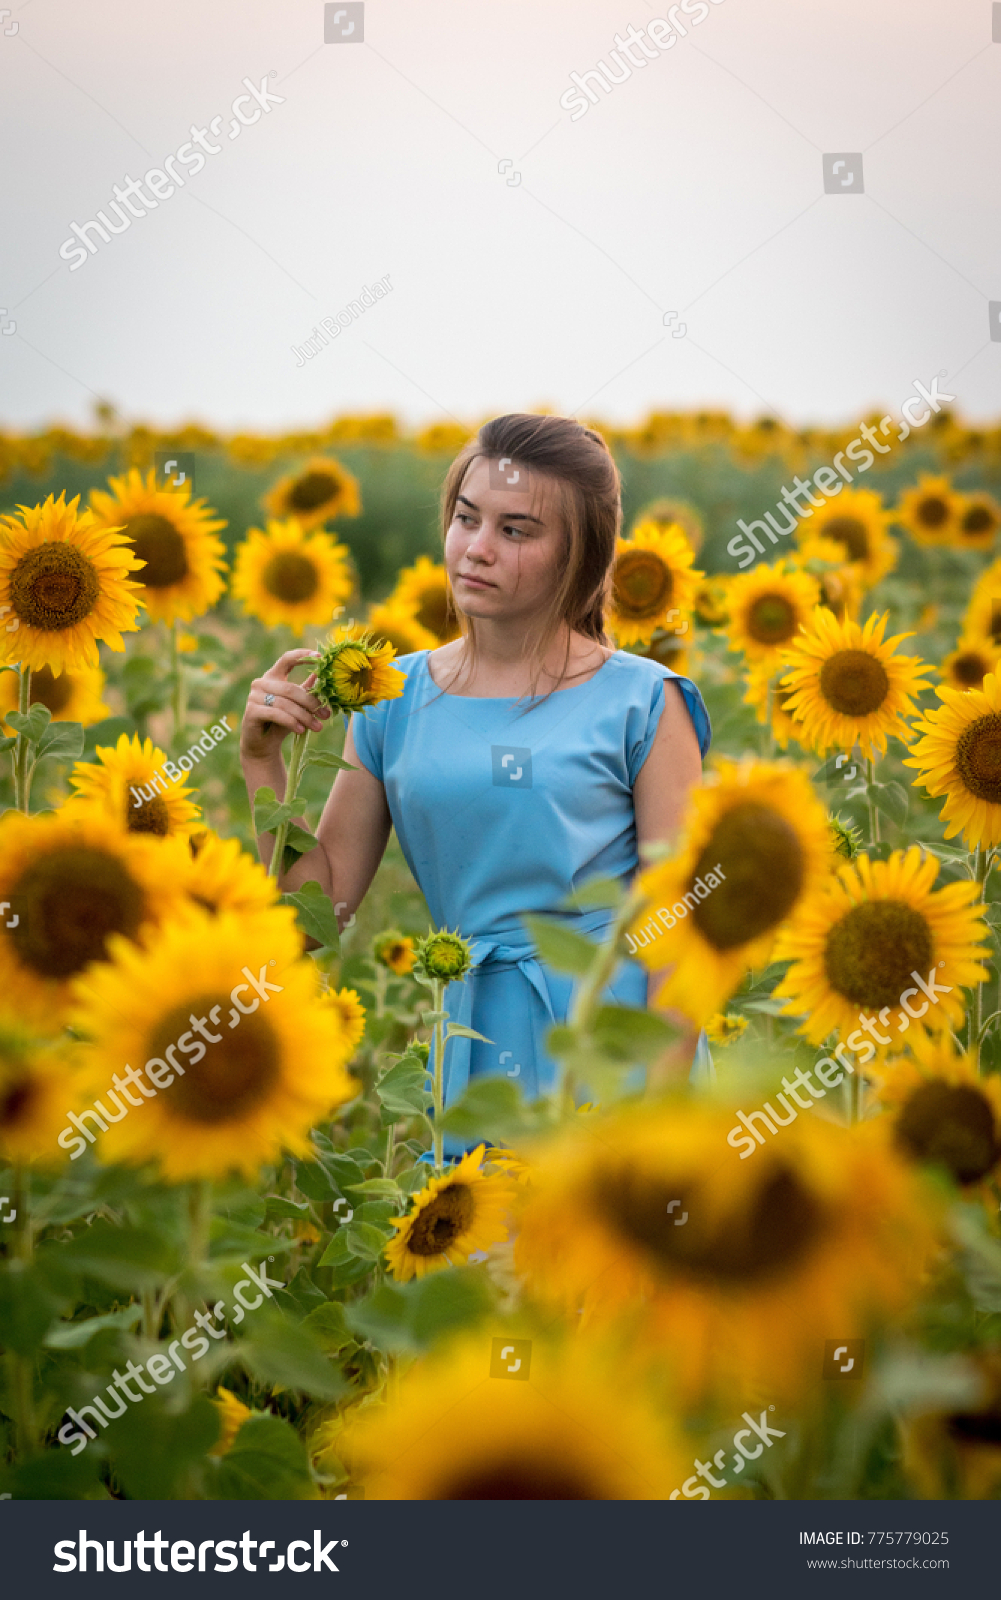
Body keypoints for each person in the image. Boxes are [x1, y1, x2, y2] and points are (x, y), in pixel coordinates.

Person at [239, 414, 712, 1144]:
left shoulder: (643, 701)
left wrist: (659, 1117)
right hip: (472, 1044)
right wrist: (263, 764)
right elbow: (316, 915)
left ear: (578, 556)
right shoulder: (391, 696)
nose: (476, 550)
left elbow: (680, 933)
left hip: (611, 1034)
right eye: (467, 519)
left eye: (516, 531)